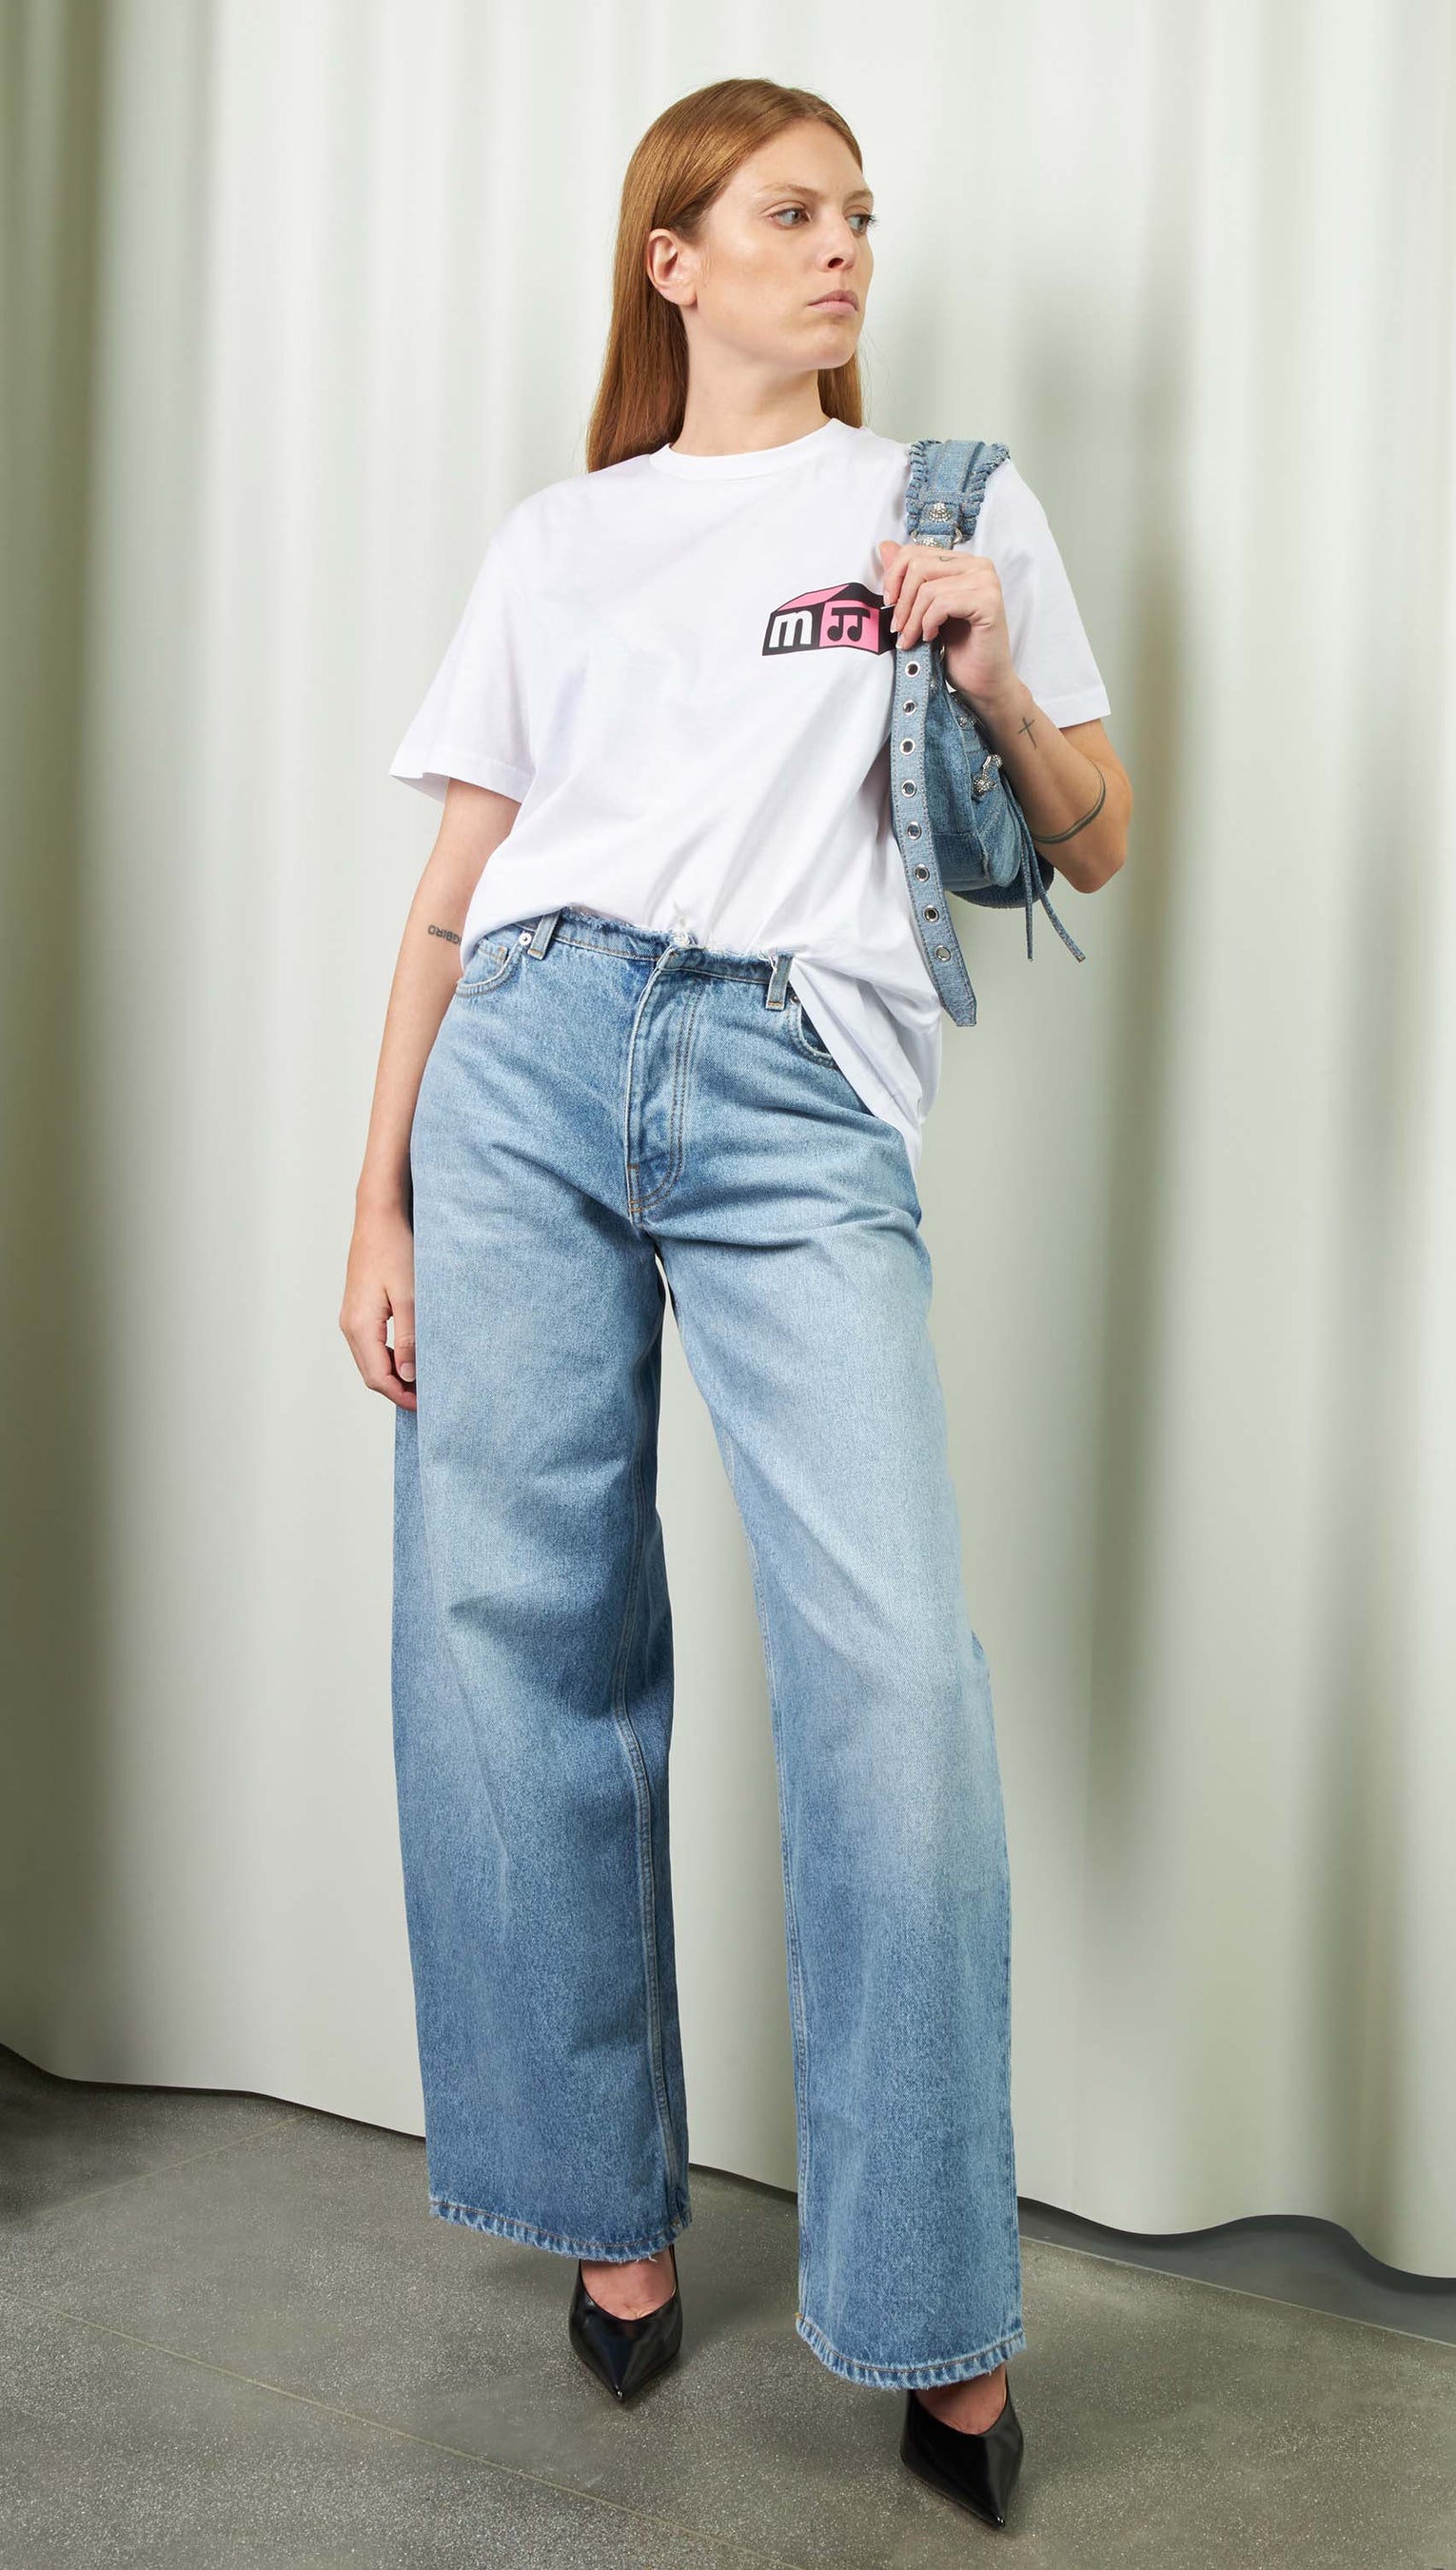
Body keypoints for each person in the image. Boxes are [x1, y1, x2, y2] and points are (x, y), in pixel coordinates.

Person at [341, 73, 1131, 2532]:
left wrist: (991, 674)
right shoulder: (561, 537)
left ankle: (937, 2317)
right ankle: (605, 2209)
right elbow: (457, 892)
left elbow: (1099, 834)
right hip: (525, 1062)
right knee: (513, 1628)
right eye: (790, 212)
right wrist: (373, 1197)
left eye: (860, 214)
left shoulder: (946, 507)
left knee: (890, 1670)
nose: (843, 247)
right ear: (672, 259)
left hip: (795, 1081)